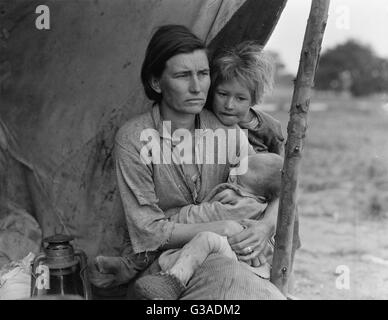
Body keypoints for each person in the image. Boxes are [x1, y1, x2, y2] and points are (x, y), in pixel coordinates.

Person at [90, 25, 285, 300]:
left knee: (239, 276)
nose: (197, 87)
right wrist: (220, 227)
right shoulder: (134, 139)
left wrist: (265, 226)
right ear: (157, 82)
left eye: (203, 74)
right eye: (183, 75)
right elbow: (148, 232)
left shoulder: (230, 133)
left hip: (229, 253)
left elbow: (273, 186)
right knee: (228, 280)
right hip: (168, 263)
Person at [133, 152, 284, 300]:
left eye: (241, 167)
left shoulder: (240, 203)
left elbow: (203, 216)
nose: (234, 169)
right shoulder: (261, 205)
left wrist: (175, 218)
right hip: (258, 264)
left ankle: (174, 280)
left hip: (237, 254)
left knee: (206, 240)